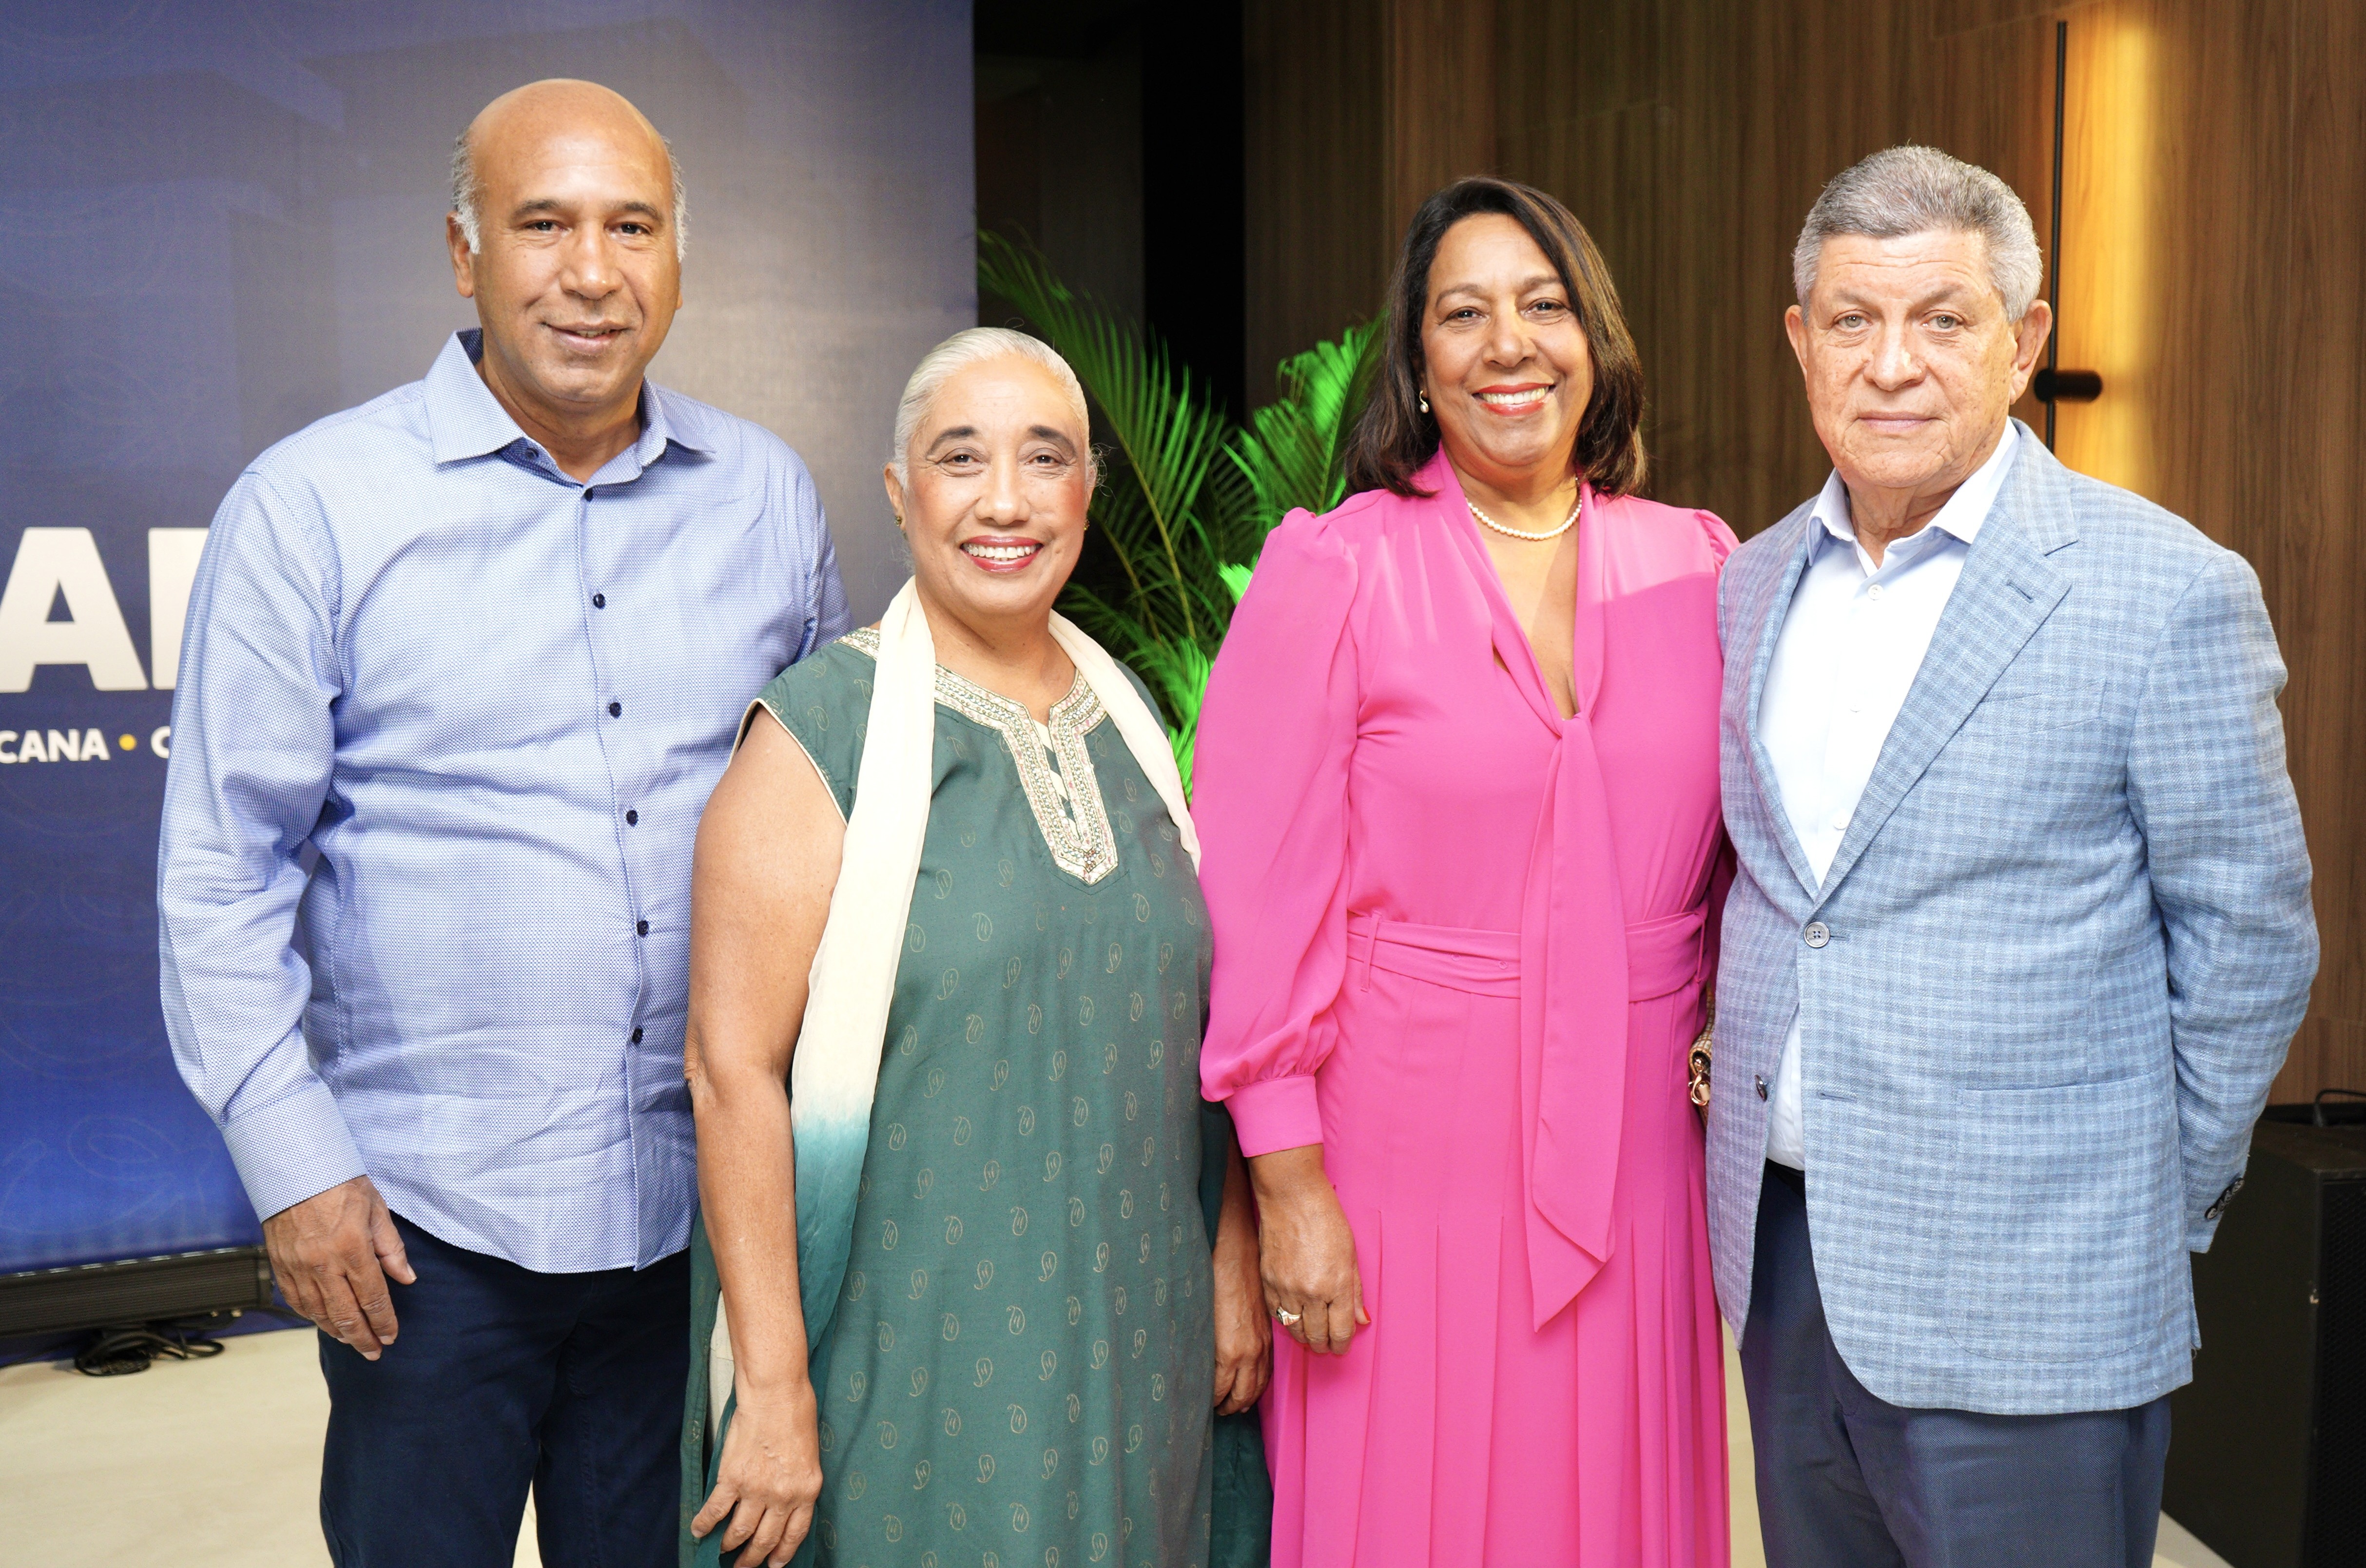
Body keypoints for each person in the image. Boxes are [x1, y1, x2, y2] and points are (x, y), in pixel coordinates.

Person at [157, 79, 849, 1567]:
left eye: (632, 228)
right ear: (463, 255)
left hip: (692, 1230)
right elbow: (219, 876)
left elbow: (825, 841)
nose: (591, 272)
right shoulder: (312, 507)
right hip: (421, 1232)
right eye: (544, 225)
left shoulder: (767, 503)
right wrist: (297, 1170)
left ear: (678, 260)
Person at [1711, 145, 2318, 1568]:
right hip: (1790, 1272)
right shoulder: (1750, 582)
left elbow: (2249, 940)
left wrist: (2138, 1210)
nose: (1891, 365)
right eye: (1852, 321)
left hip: (2039, 1288)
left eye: (1942, 319)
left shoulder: (2164, 590)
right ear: (1800, 342)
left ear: (2022, 341)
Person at [1193, 177, 1736, 1567]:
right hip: (1398, 1168)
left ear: (1593, 337)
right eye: (1463, 313)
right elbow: (1254, 900)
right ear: (1416, 358)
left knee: (1614, 1504)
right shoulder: (1335, 570)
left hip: (1640, 1156)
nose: (1509, 344)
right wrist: (1287, 1189)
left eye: (1543, 305)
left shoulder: (1700, 566)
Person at [680, 327, 1270, 1568]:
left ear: (1088, 491)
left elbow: (1197, 1032)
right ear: (901, 493)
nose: (1006, 500)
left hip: (1139, 1340)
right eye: (961, 458)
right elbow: (732, 1073)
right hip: (912, 1363)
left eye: (1044, 457)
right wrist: (774, 1386)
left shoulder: (1132, 722)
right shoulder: (816, 736)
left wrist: (1230, 1255)